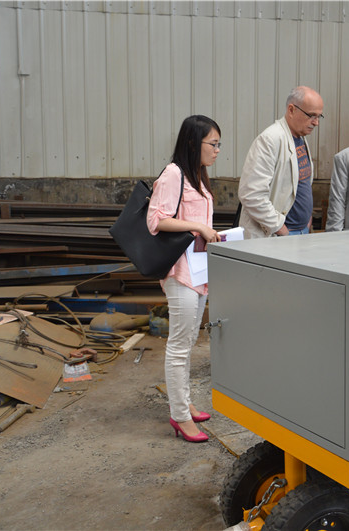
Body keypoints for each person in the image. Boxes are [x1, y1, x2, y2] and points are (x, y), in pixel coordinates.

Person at [147, 115, 221, 443]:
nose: (218, 150)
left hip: (199, 269)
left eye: (219, 144)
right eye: (213, 144)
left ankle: (184, 402)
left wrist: (209, 231)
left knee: (190, 341)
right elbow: (155, 220)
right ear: (194, 143)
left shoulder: (198, 176)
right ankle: (179, 416)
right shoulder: (174, 173)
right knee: (179, 345)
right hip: (180, 271)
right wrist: (199, 227)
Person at [238, 86, 324, 238]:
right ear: (291, 110)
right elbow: (251, 194)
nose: (316, 122)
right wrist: (280, 228)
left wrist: (306, 217)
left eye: (319, 116)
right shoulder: (270, 140)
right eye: (311, 116)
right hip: (279, 235)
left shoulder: (300, 138)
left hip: (300, 231)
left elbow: (300, 185)